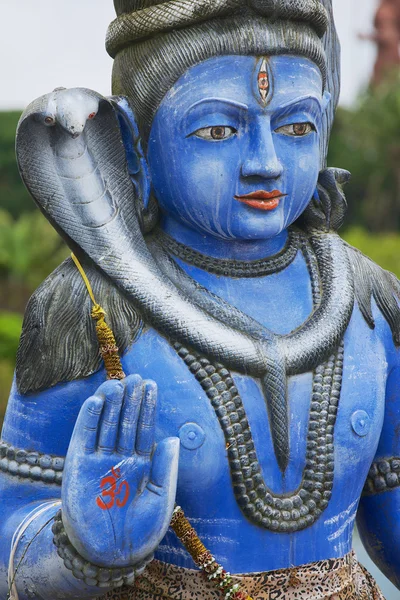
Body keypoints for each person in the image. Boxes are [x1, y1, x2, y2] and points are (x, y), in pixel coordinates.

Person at [1, 1, 399, 598]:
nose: (265, 164)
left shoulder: (371, 302)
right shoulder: (87, 308)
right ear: (132, 140)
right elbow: (12, 527)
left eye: (296, 127)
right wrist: (79, 551)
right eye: (218, 129)